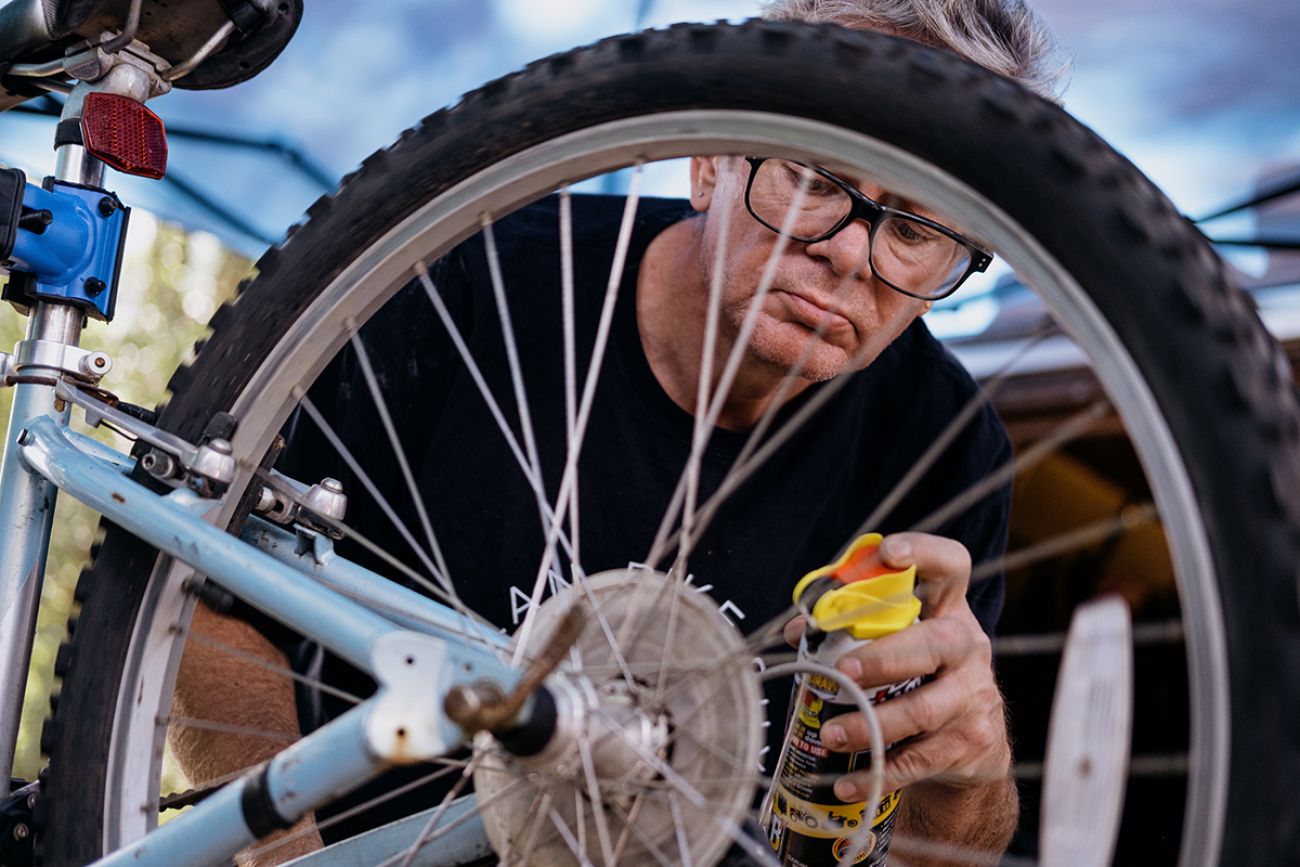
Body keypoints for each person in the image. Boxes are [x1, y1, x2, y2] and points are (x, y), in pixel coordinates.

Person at [171, 2, 1062, 864]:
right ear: (711, 159)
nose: (848, 252)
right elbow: (209, 620)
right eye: (819, 178)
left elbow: (932, 848)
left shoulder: (948, 449)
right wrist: (286, 859)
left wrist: (967, 775)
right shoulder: (466, 284)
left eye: (914, 227)